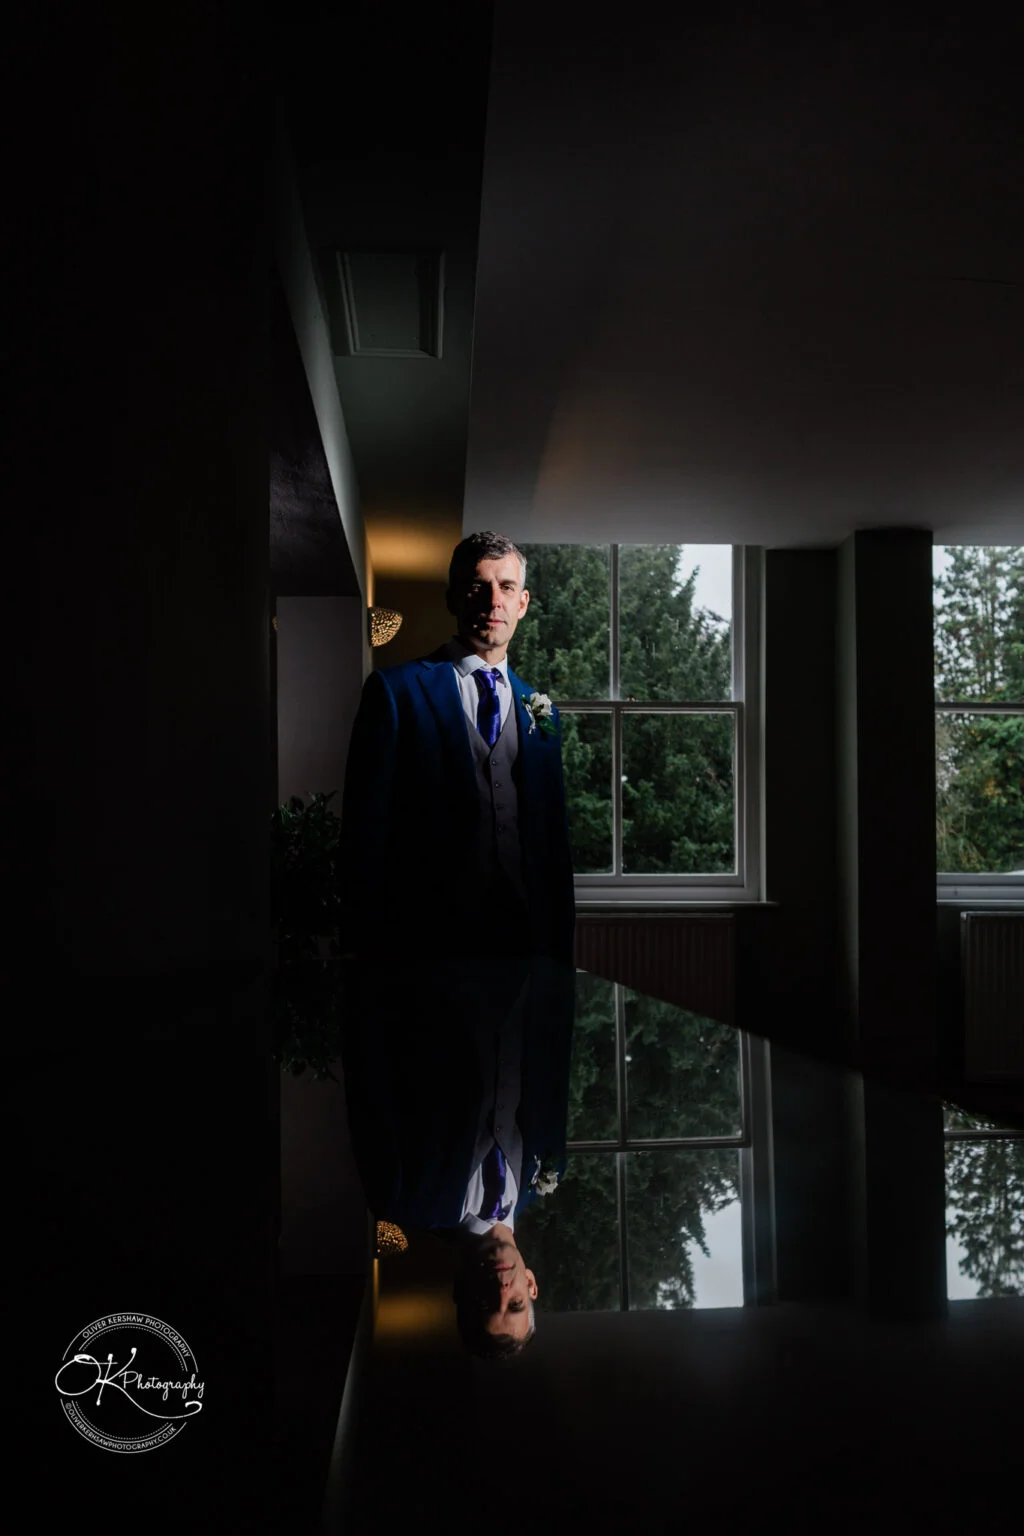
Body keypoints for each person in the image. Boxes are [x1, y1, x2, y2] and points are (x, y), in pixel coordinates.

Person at [338, 530, 576, 1356]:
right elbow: (365, 841)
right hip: (424, 966)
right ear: (454, 596)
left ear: (524, 603)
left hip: (525, 964)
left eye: (506, 587)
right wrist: (372, 965)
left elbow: (552, 849)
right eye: (477, 585)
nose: (492, 601)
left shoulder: (541, 710)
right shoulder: (397, 693)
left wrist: (558, 960)